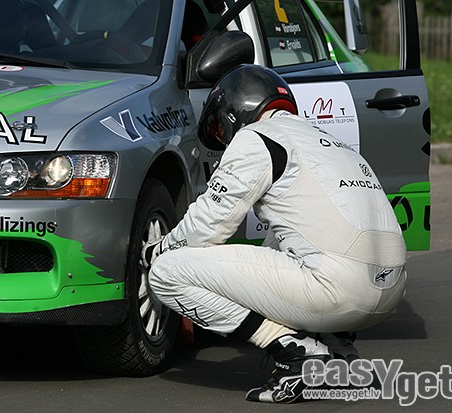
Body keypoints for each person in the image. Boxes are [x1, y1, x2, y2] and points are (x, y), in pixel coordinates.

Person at [142, 64, 407, 403]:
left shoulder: (257, 137)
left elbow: (208, 226)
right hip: (390, 290)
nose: (223, 138)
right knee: (287, 242)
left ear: (233, 111)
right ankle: (341, 354)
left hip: (338, 289)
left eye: (220, 129)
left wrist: (158, 250)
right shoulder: (332, 141)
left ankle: (297, 354)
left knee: (166, 273)